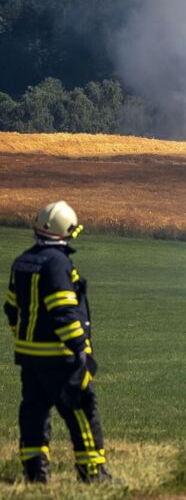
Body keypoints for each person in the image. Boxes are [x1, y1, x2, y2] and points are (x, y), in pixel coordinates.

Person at [4, 201, 109, 483]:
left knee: (34, 415)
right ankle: (93, 473)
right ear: (67, 231)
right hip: (60, 357)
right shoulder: (57, 263)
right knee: (82, 410)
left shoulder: (23, 261)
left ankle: (35, 474)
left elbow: (12, 308)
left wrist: (23, 340)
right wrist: (81, 349)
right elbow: (62, 310)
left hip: (29, 358)